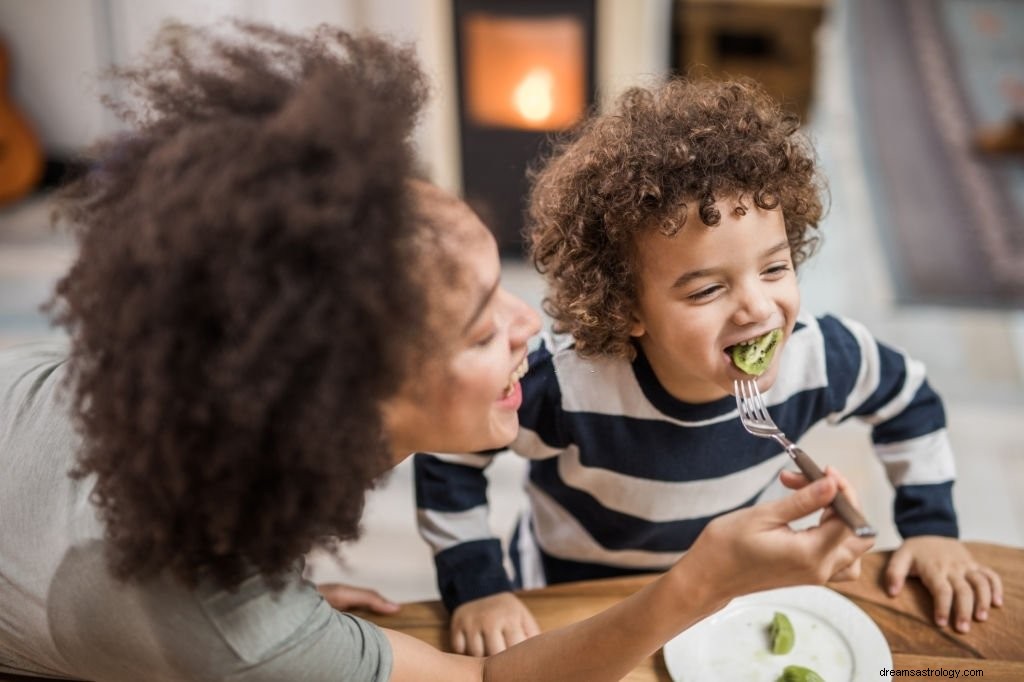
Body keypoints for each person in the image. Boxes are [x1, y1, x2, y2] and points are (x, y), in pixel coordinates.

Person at [0, 22, 873, 682]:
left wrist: (282, 593)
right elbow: (492, 679)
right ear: (345, 401)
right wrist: (701, 582)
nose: (532, 326)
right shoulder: (232, 630)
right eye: (483, 328)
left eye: (503, 290)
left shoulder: (196, 379)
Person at [414, 77, 1005, 656]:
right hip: (573, 598)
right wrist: (478, 586)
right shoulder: (568, 385)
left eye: (774, 269)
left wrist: (930, 528)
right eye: (705, 291)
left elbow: (910, 399)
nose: (756, 306)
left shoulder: (818, 359)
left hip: (731, 601)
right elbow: (450, 454)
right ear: (627, 306)